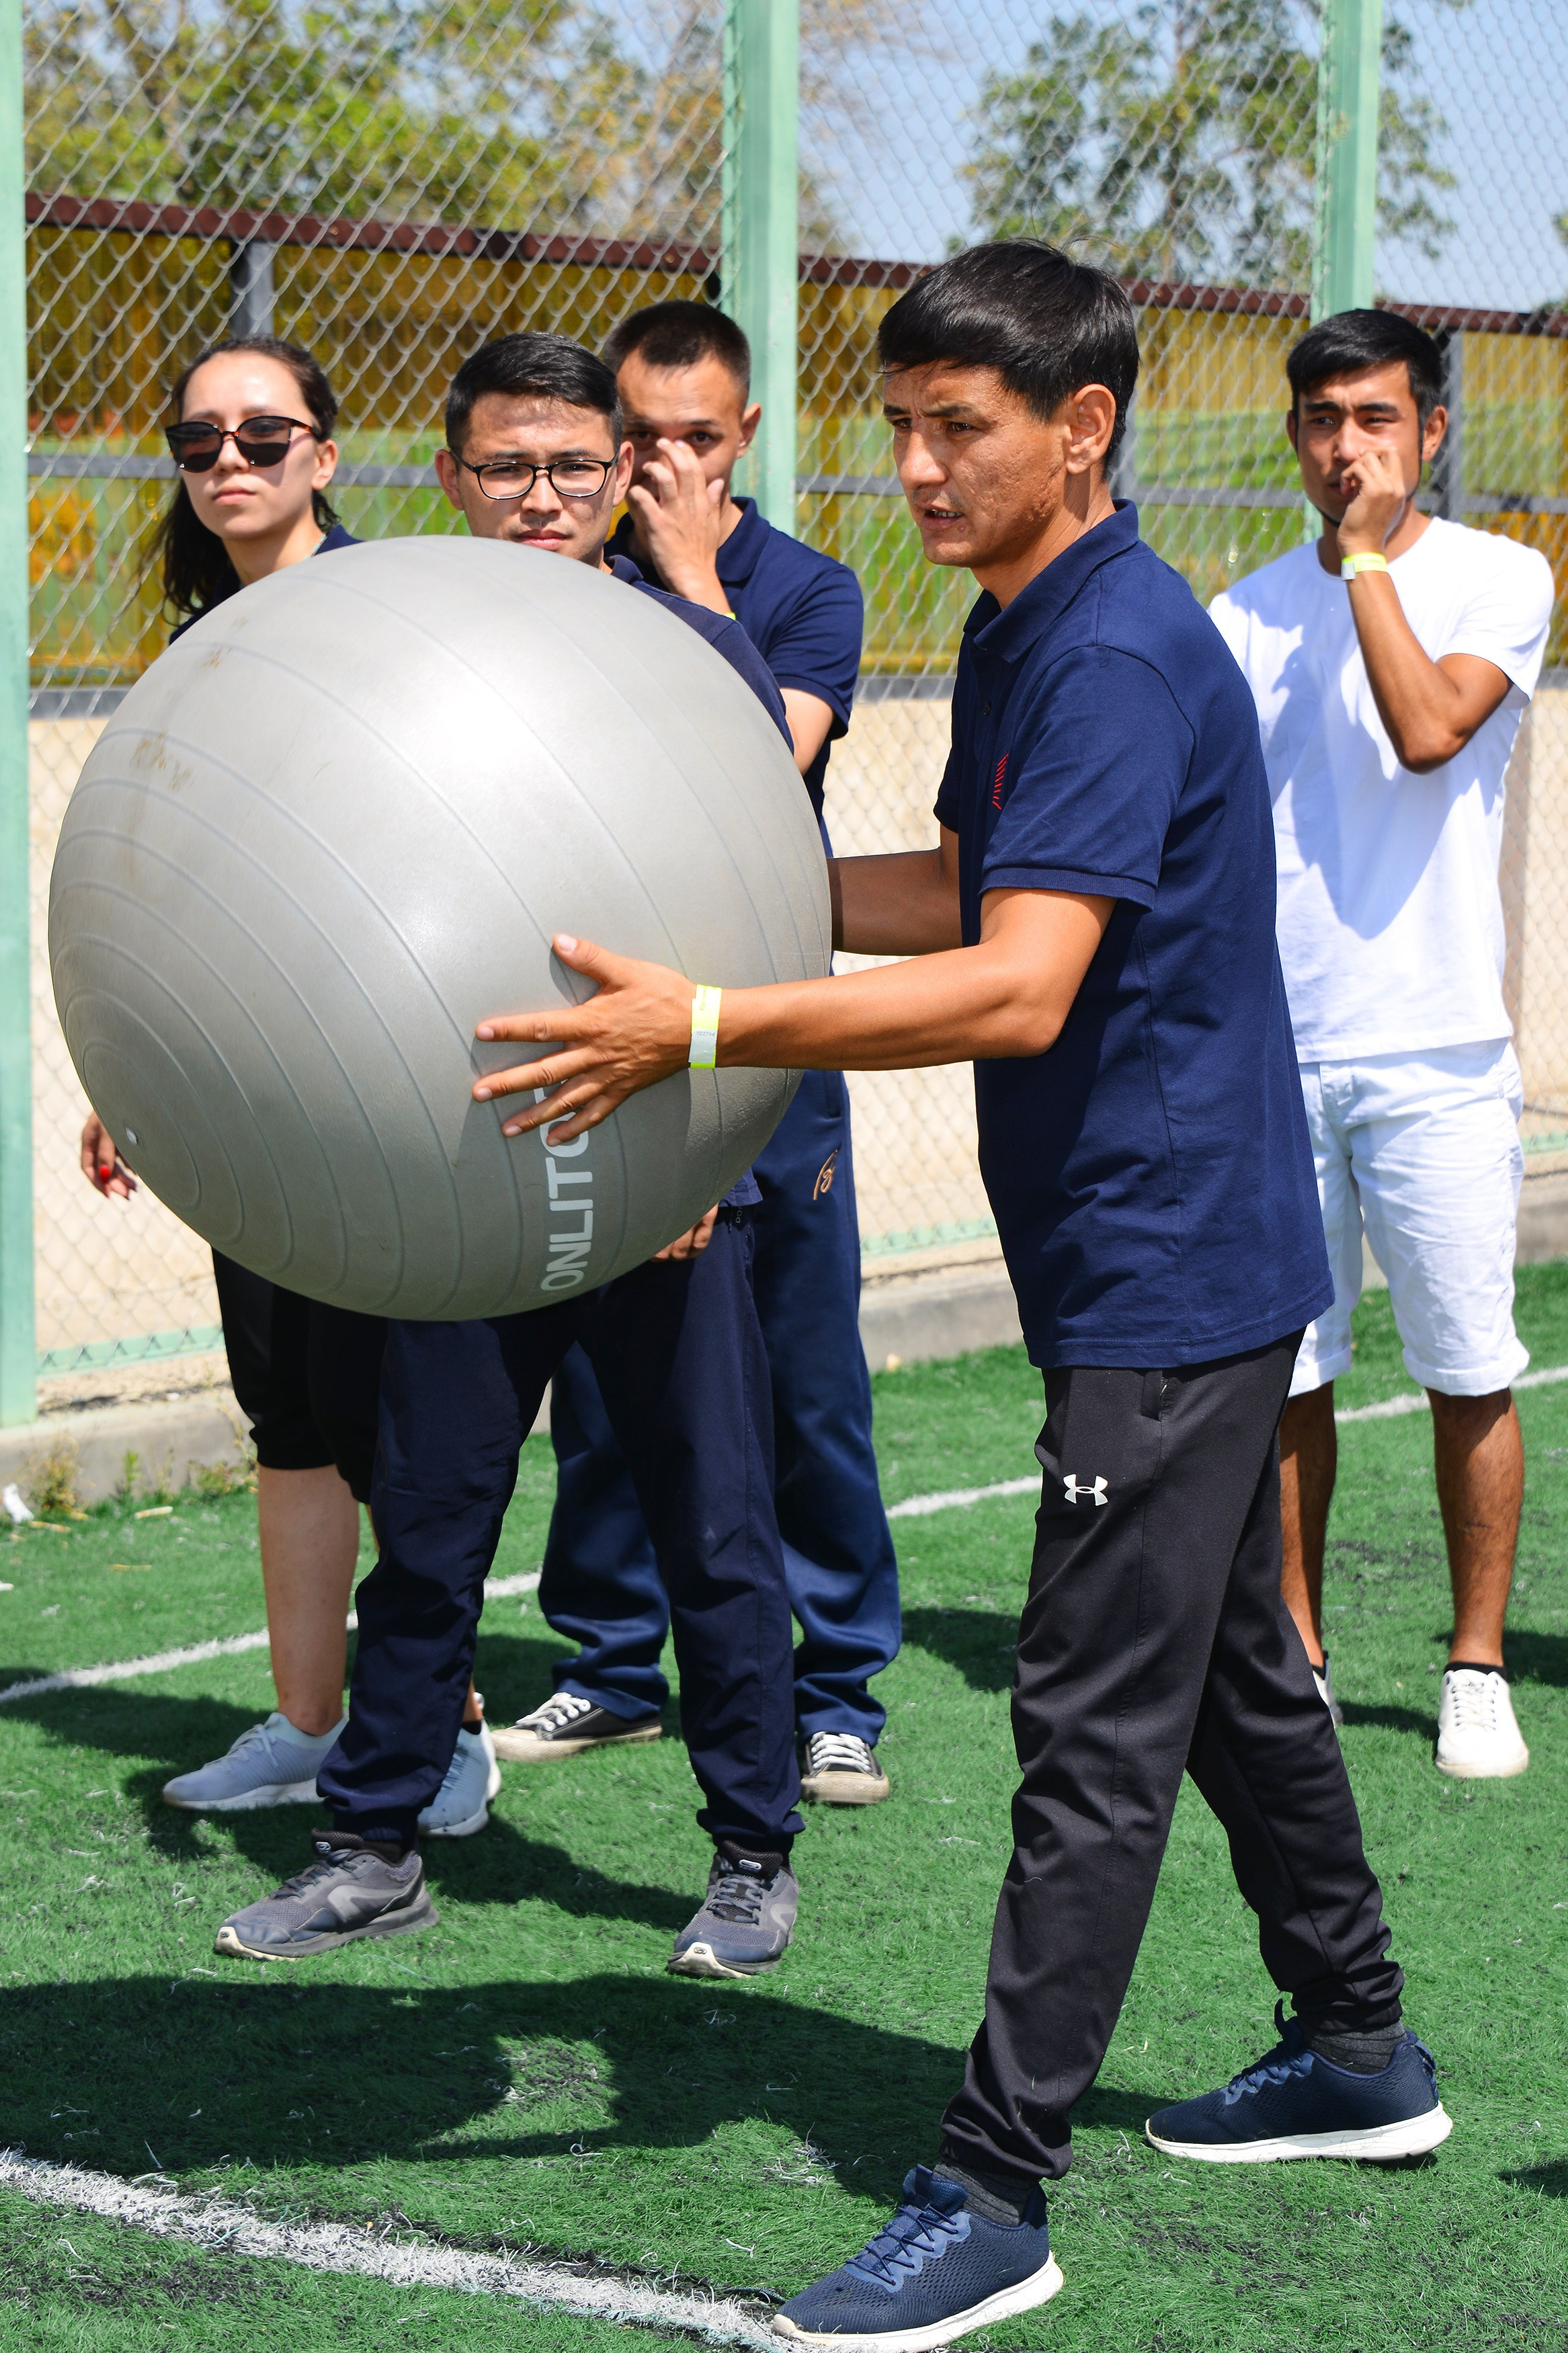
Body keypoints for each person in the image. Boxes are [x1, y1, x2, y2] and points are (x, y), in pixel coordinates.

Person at [456, 248, 1452, 2350]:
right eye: (895, 425)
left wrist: (698, 1019)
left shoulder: (1109, 648)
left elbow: (1014, 983)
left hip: (1166, 1268)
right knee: (1226, 1675)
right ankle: (1358, 2042)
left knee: (1087, 1722)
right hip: (1147, 1254)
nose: (909, 465)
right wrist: (722, 910)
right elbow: (955, 889)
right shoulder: (1022, 618)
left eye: (954, 428)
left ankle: (989, 2189)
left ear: (1076, 430)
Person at [212, 331, 807, 1983]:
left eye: (573, 467)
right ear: (451, 478)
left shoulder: (693, 646)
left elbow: (768, 906)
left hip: (665, 1168)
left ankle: (751, 1854)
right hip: (470, 1163)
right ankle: (373, 1844)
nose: (541, 497)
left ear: (622, 472)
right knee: (432, 1523)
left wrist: (694, 1161)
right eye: (506, 468)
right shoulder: (399, 643)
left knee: (712, 1527)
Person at [79, 336, 497, 1837]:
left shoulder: (384, 614)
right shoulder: (203, 641)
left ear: (325, 452)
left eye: (264, 434)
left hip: (380, 1084)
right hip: (243, 1084)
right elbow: (186, 879)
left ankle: (444, 1733)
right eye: (199, 441)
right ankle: (312, 1720)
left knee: (387, 1424)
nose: (230, 462)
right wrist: (136, 1073)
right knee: (290, 1415)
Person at [497, 298, 899, 1806]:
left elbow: (757, 762)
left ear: (747, 437)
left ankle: (838, 1687)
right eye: (642, 440)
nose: (665, 466)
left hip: (761, 1033)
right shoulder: (562, 586)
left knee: (802, 1374)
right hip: (615, 1032)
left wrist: (686, 576)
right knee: (608, 1370)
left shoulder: (803, 589)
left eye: (698, 440)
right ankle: (612, 1662)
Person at [1210, 310, 1555, 1778]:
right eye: (1321, 419)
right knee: (1290, 1375)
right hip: (1277, 1054)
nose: (1345, 447)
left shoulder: (1502, 576)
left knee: (1468, 1364)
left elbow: (1425, 733)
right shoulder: (1237, 616)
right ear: (1293, 436)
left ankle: (1475, 1666)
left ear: (1428, 431)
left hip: (1439, 1054)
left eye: (1374, 418)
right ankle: (1301, 1655)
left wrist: (1360, 567)